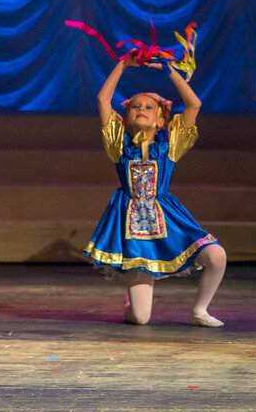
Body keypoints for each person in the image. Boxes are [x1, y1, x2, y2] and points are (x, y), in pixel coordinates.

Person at [85, 57, 226, 327]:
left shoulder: (169, 146)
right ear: (126, 116)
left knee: (217, 256)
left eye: (149, 107)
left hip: (167, 217)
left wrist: (169, 71)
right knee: (140, 319)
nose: (141, 109)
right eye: (135, 106)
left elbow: (194, 104)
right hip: (132, 228)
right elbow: (103, 99)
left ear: (161, 119)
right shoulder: (119, 145)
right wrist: (123, 65)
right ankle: (131, 303)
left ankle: (200, 310)